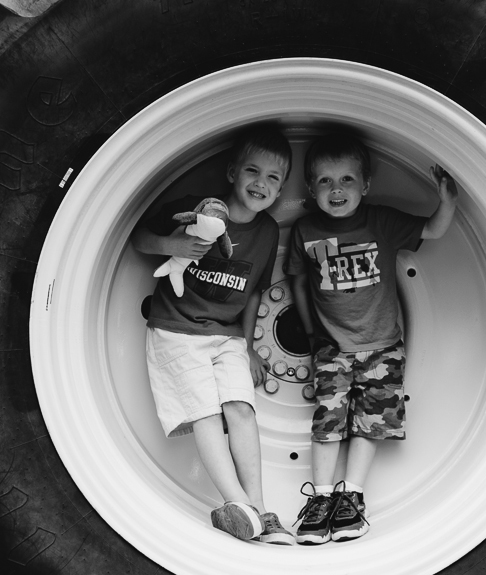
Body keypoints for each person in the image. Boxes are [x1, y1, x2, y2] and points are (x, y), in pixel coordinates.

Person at [288, 132, 458, 544]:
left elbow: (433, 231)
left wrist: (447, 200)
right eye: (325, 181)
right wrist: (311, 332)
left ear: (364, 186)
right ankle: (320, 499)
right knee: (327, 422)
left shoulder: (380, 221)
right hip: (332, 349)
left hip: (383, 346)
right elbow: (296, 280)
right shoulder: (305, 230)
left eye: (347, 179)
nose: (336, 189)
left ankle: (351, 497)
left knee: (371, 423)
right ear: (311, 189)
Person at [131, 124, 296, 545]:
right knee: (206, 412)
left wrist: (248, 346)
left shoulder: (268, 231)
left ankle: (259, 510)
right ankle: (235, 503)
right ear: (232, 172)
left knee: (241, 408)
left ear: (281, 191)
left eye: (273, 178)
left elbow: (255, 290)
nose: (261, 183)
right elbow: (138, 238)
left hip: (226, 336)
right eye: (252, 172)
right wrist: (173, 245)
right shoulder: (197, 208)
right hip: (178, 329)